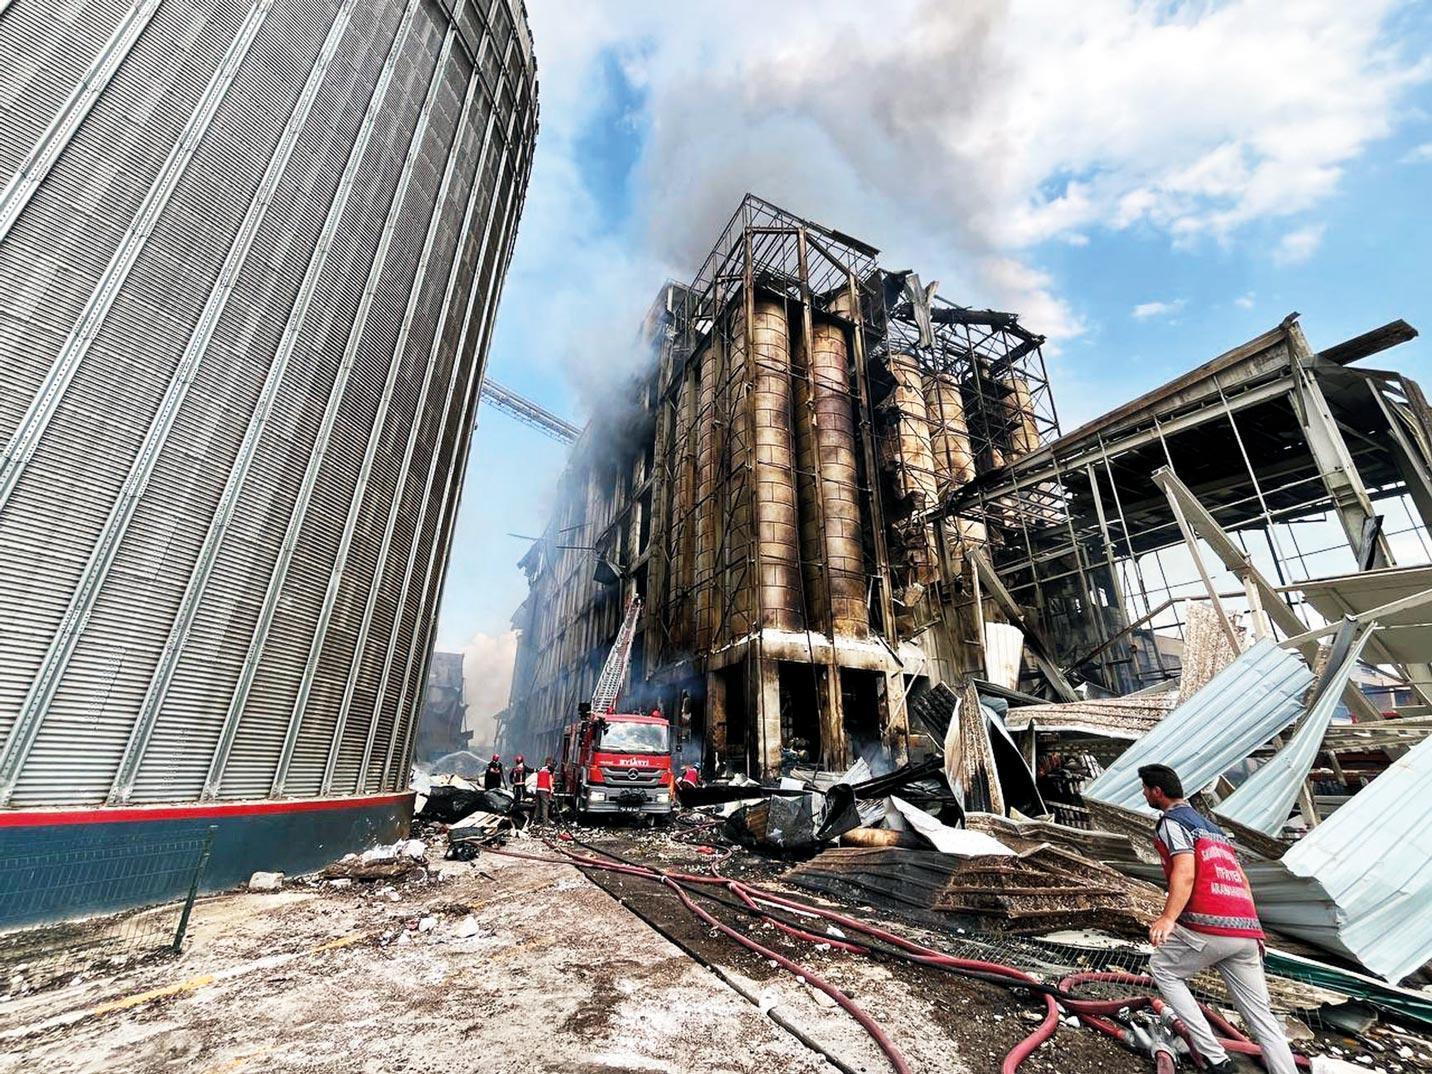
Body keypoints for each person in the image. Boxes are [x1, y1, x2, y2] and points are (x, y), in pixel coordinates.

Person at [1138, 764, 1297, 1074]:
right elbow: (1242, 881)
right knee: (1260, 1016)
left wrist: (1168, 918)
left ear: (1157, 791)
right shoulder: (1213, 829)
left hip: (1210, 925)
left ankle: (1215, 1058)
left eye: (1145, 788)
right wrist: (1256, 931)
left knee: (1163, 969)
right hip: (1246, 931)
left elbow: (1185, 871)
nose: (1144, 794)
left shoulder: (1172, 822)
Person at [533, 757, 554, 825]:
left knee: (538, 806)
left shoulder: (541, 770)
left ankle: (535, 821)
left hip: (538, 789)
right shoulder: (550, 771)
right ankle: (545, 823)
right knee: (545, 807)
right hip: (545, 790)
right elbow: (550, 781)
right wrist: (551, 790)